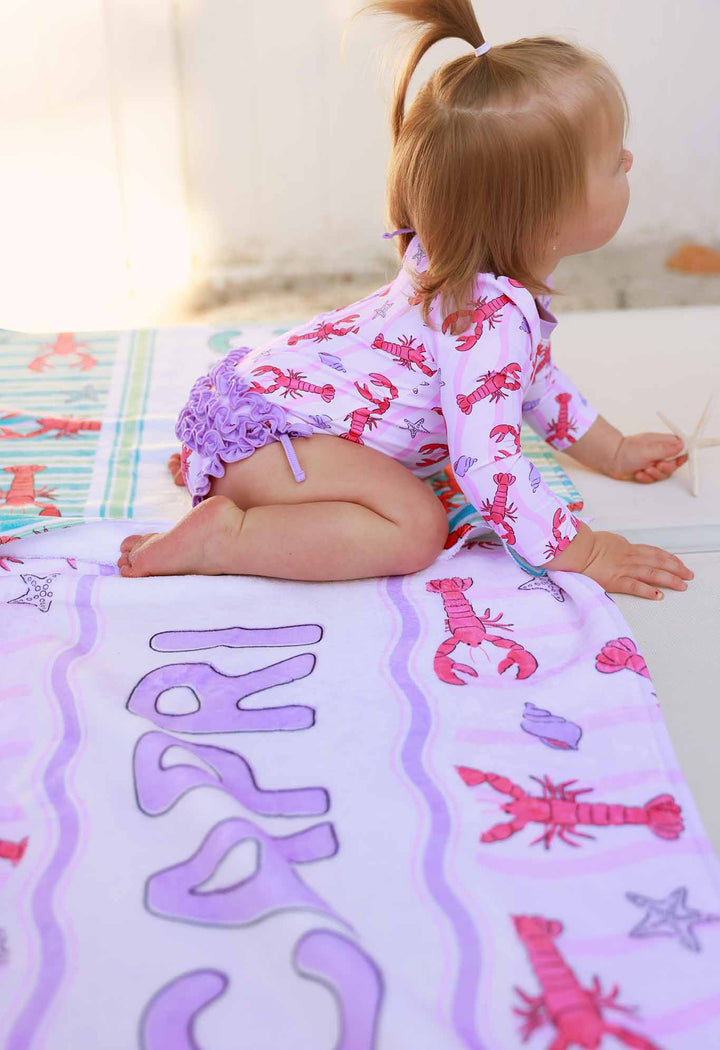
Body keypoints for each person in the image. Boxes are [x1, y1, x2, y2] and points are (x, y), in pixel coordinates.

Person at [117, 0, 693, 602]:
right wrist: (587, 550)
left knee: (399, 497)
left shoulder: (448, 265)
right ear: (543, 218)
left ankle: (237, 480)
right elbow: (488, 468)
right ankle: (228, 534)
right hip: (275, 444)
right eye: (611, 163)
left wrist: (614, 449)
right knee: (416, 527)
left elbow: (534, 383)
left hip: (244, 410)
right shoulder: (487, 318)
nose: (628, 160)